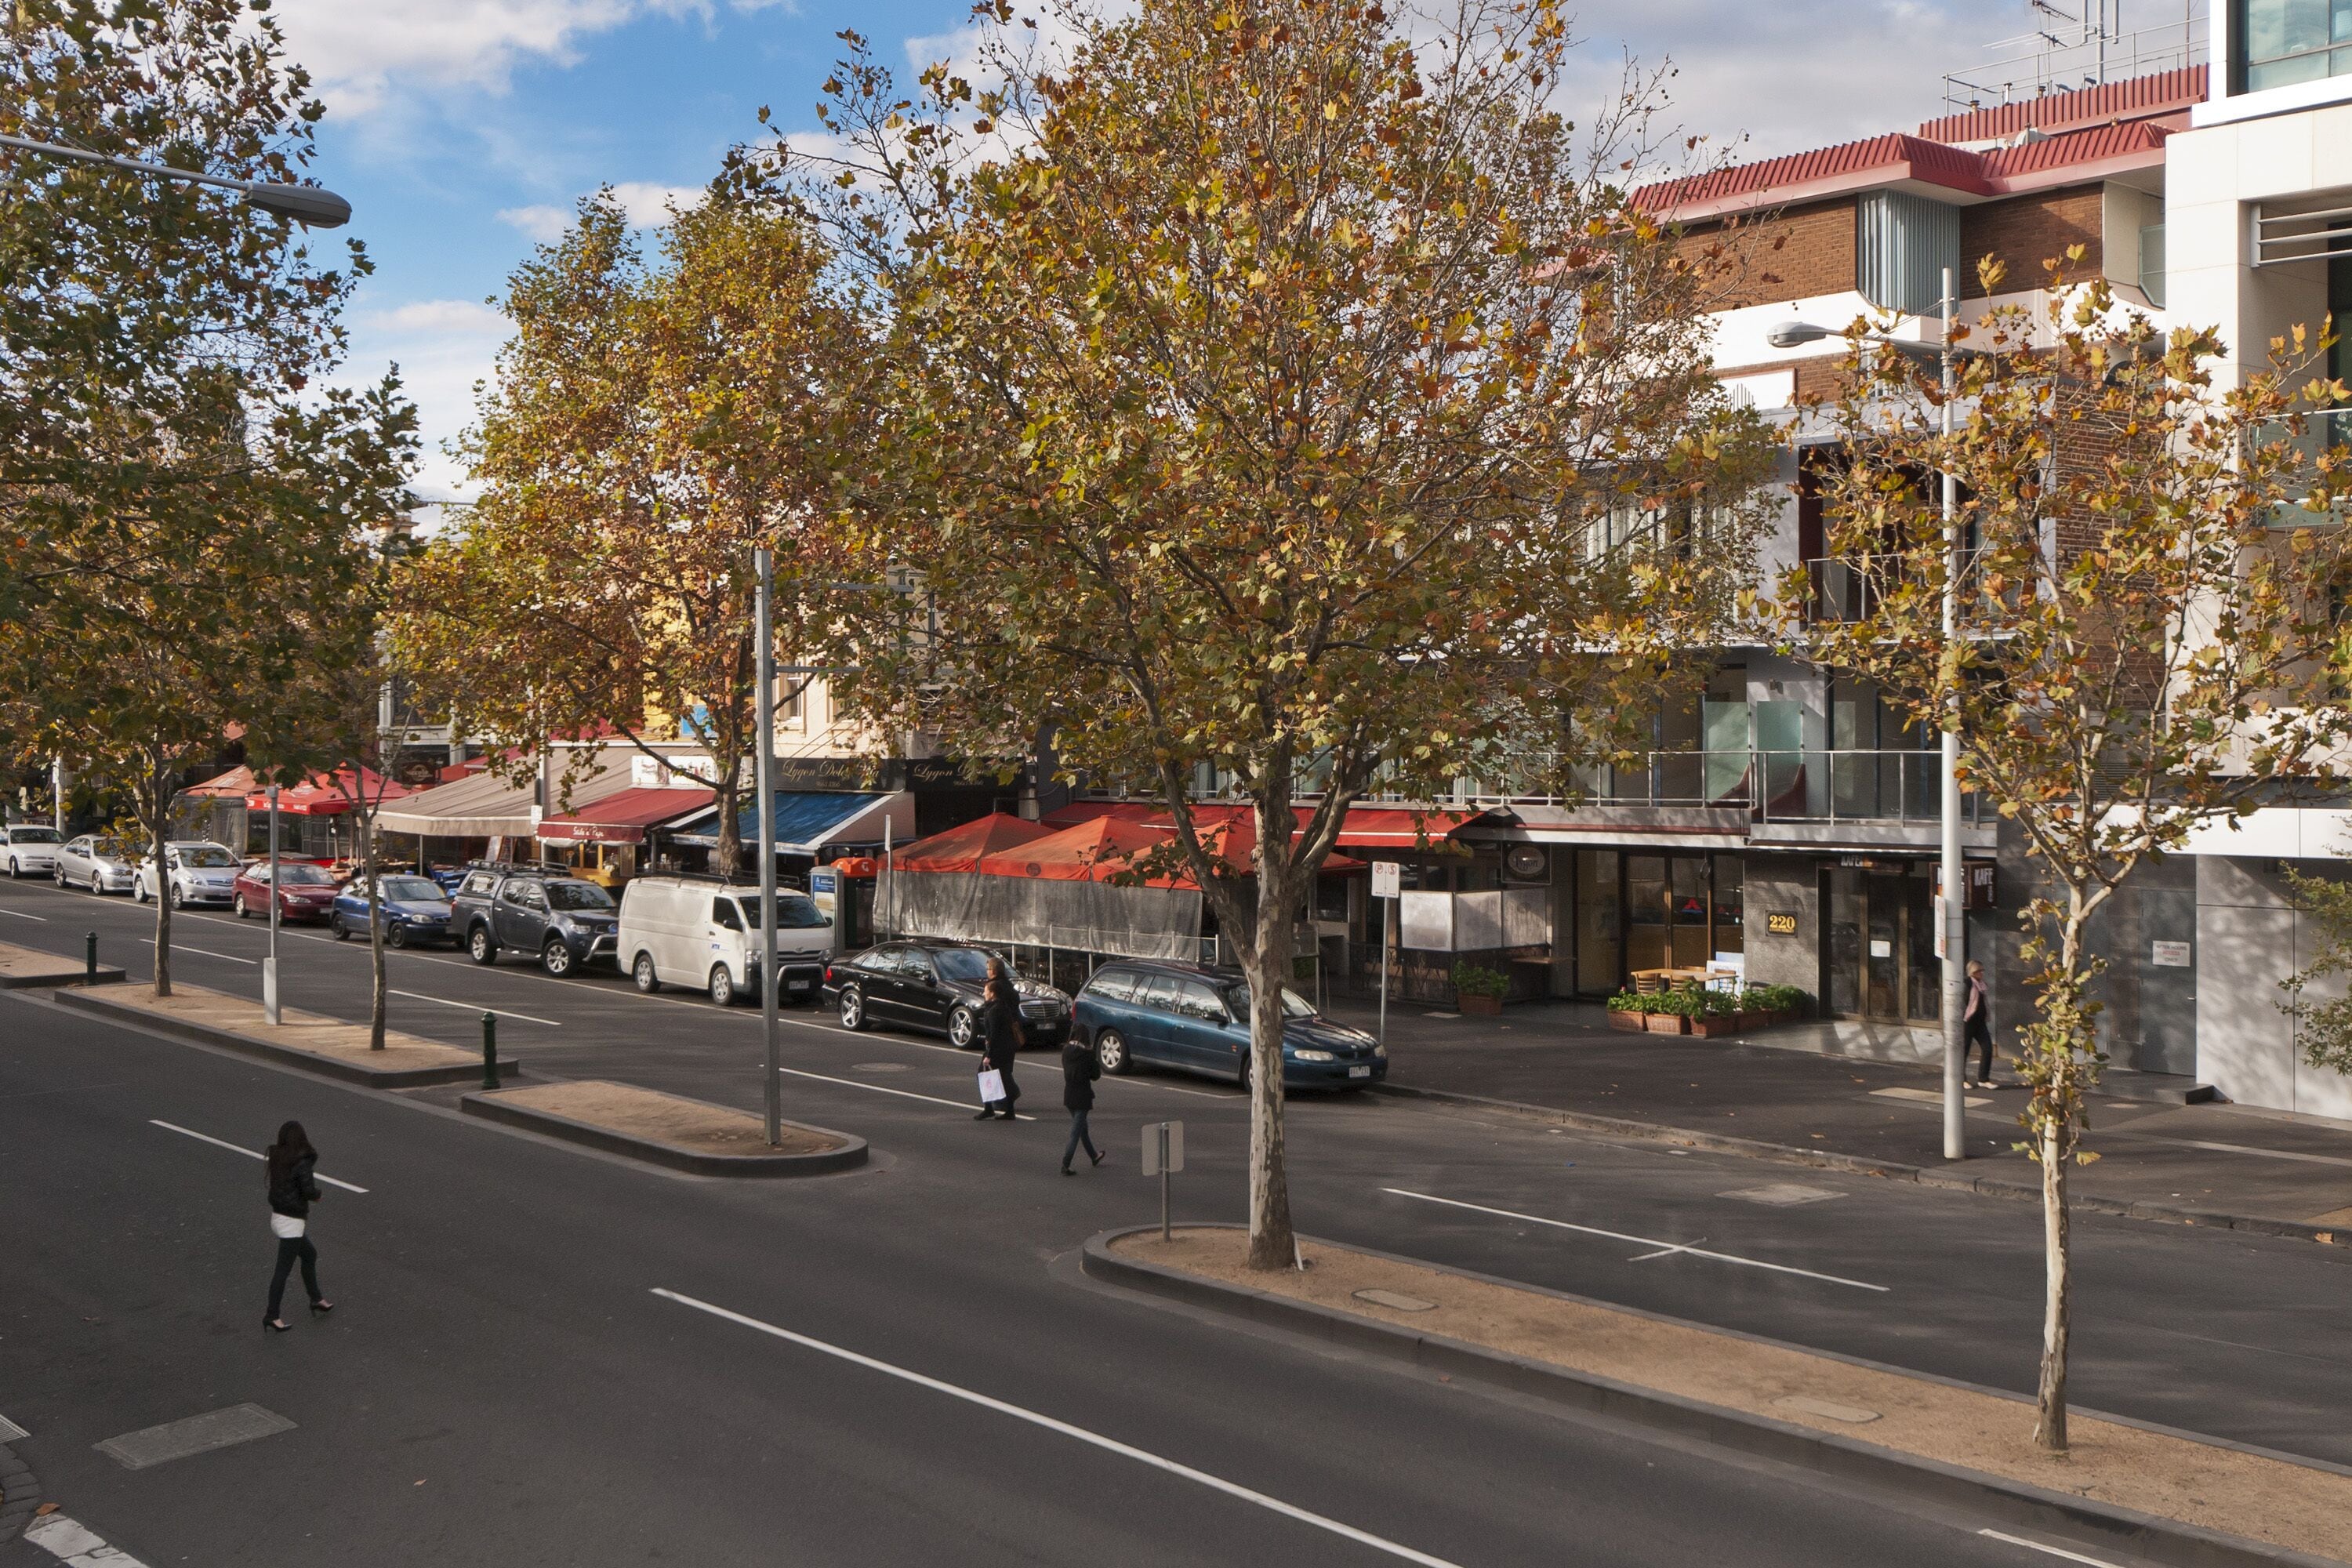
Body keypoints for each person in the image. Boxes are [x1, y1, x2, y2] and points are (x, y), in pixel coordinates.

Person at [263, 1120, 332, 1332]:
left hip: (278, 1218)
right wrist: (318, 1195)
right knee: (282, 1271)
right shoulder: (302, 1162)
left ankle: (316, 1299)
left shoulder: (278, 1158)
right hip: (292, 1223)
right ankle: (272, 1315)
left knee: (310, 1254)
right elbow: (308, 1190)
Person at [975, 956, 1023, 1121]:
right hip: (1009, 1040)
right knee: (1004, 1074)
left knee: (985, 1073)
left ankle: (994, 1106)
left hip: (1000, 1043)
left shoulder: (995, 1006)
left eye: (988, 969)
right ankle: (1005, 1106)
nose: (984, 993)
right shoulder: (1009, 988)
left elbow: (995, 1031)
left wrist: (989, 1052)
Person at [1060, 1038, 1105, 1174]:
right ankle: (1066, 1163)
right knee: (1075, 1133)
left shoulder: (1066, 1051)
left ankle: (1094, 1156)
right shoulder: (1087, 1055)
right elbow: (1096, 1075)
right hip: (1082, 1097)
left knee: (1082, 1129)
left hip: (1069, 1096)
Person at [1964, 959, 1998, 1089]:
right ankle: (1962, 1079)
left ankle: (1983, 1079)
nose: (1982, 973)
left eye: (1982, 971)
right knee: (1964, 1051)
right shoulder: (1967, 983)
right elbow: (1964, 1002)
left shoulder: (1981, 985)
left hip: (1980, 1022)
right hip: (1968, 1022)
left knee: (1987, 1048)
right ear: (1973, 972)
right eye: (1979, 971)